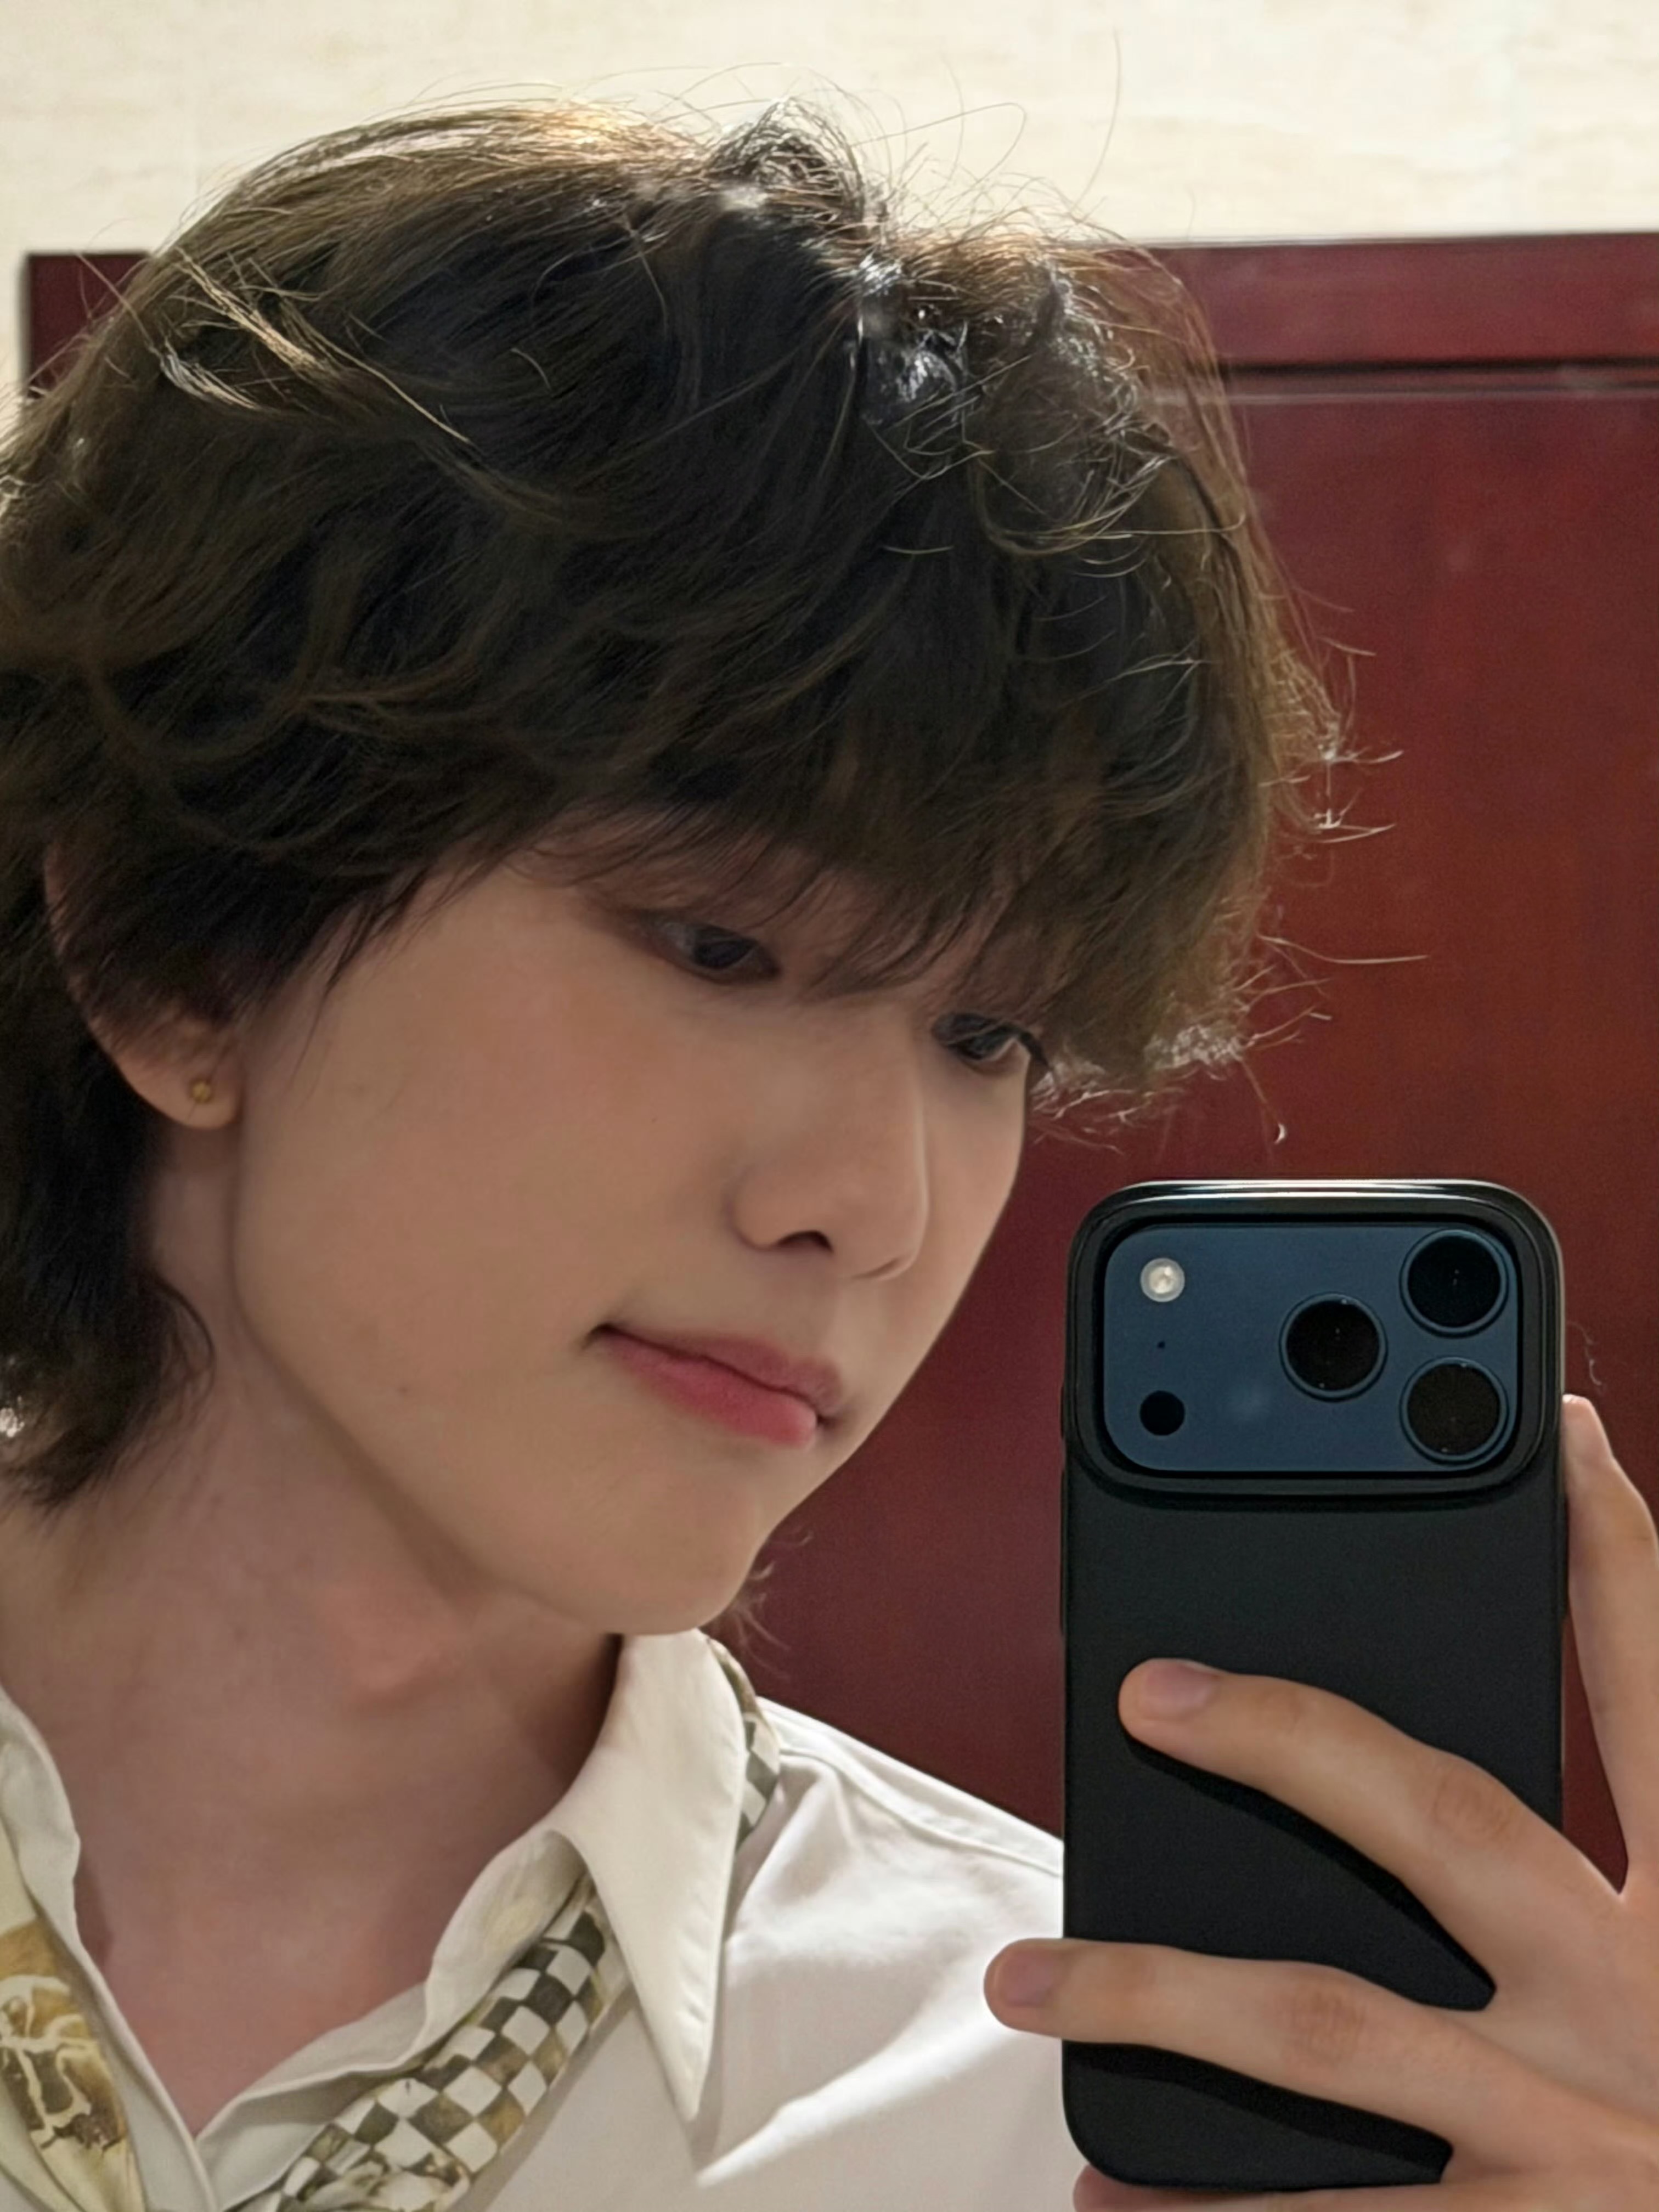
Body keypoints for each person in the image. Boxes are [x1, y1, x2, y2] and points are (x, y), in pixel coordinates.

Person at [0, 95, 1652, 2212]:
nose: (875, 1211)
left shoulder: (1078, 2103)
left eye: (989, 1037)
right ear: (174, 958)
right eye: (719, 943)